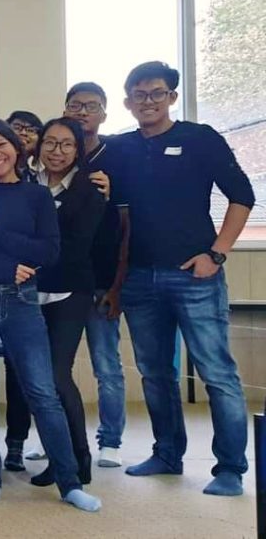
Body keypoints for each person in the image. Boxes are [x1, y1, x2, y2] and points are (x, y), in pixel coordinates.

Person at [115, 61, 253, 497]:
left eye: (157, 93)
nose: (148, 101)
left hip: (196, 276)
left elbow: (243, 196)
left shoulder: (200, 138)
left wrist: (217, 253)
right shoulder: (122, 147)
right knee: (155, 374)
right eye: (139, 95)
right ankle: (167, 454)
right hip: (139, 279)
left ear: (172, 97)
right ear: (128, 102)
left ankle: (230, 468)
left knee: (217, 372)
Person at [0, 118, 101, 512]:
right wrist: (2, 267)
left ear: (16, 147)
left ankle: (70, 483)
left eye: (0, 145)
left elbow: (48, 251)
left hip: (23, 301)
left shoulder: (36, 196)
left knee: (43, 393)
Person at [24, 118, 105, 489]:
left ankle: (79, 459)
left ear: (78, 149)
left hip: (70, 290)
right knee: (37, 381)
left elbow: (78, 244)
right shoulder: (27, 183)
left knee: (57, 375)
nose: (57, 151)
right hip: (29, 291)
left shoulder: (91, 188)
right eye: (50, 143)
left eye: (66, 144)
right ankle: (59, 458)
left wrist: (31, 257)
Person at [63, 81, 129, 468]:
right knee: (56, 367)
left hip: (102, 279)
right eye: (75, 105)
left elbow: (125, 226)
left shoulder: (117, 156)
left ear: (104, 112)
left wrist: (118, 284)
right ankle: (56, 438)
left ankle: (111, 440)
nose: (83, 112)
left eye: (91, 106)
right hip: (61, 282)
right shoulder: (56, 157)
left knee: (107, 364)